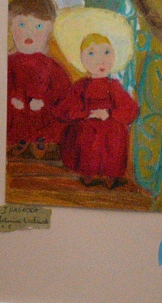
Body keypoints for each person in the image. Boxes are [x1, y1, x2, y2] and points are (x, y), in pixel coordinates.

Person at [56, 33, 140, 188]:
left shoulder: (114, 86)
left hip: (111, 127)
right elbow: (65, 109)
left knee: (115, 136)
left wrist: (110, 114)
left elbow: (130, 109)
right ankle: (89, 172)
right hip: (87, 126)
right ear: (82, 59)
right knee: (86, 135)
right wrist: (87, 114)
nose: (100, 60)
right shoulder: (81, 86)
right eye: (91, 53)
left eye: (106, 52)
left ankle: (111, 175)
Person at [5, 0, 71, 159]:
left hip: (44, 119)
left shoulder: (53, 68)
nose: (29, 33)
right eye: (22, 24)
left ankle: (40, 140)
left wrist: (44, 102)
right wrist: (12, 99)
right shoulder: (8, 64)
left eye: (39, 26)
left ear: (50, 29)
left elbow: (63, 96)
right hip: (16, 117)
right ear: (11, 27)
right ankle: (20, 140)